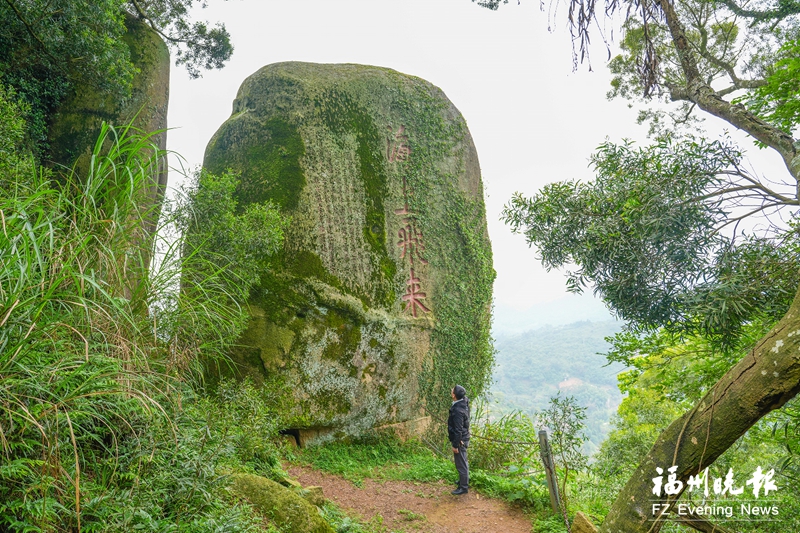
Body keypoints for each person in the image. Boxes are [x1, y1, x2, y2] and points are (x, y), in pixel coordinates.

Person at [447, 384, 470, 495]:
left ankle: (463, 487)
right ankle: (463, 481)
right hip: (464, 437)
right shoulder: (464, 402)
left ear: (454, 395)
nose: (451, 390)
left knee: (461, 464)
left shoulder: (457, 410)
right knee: (462, 461)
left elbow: (458, 429)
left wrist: (456, 444)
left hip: (461, 439)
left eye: (452, 390)